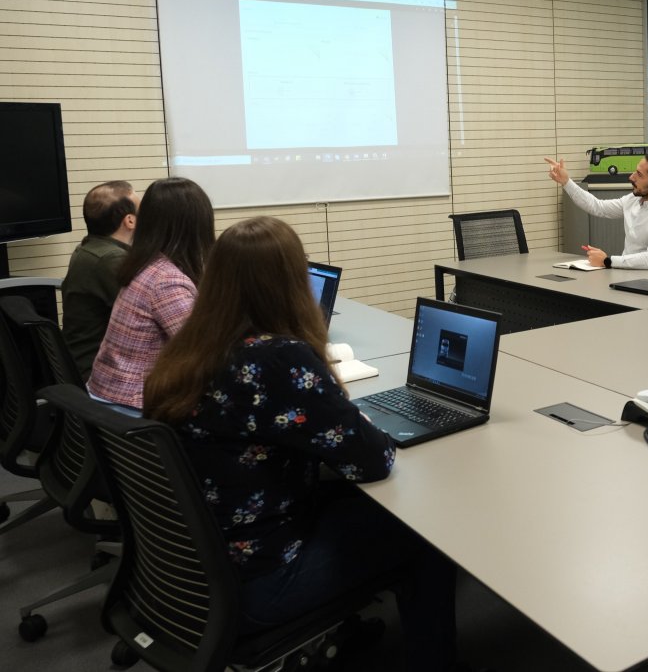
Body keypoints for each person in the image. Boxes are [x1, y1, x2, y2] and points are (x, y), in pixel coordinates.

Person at [144, 216, 455, 671]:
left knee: (349, 498)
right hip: (256, 583)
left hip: (186, 570)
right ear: (290, 284)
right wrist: (354, 419)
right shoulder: (277, 359)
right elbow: (373, 460)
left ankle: (341, 629)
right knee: (424, 532)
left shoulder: (190, 348)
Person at [87, 177, 214, 410]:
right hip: (131, 407)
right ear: (197, 226)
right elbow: (202, 353)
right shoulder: (166, 281)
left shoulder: (144, 265)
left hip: (107, 396)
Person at [545, 152, 648, 269]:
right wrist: (566, 182)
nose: (631, 177)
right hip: (625, 274)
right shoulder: (633, 200)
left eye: (639, 174)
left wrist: (607, 261)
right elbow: (598, 207)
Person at [61, 180, 137, 380]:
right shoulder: (111, 259)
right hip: (100, 374)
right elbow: (147, 315)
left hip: (83, 366)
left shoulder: (88, 248)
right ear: (130, 221)